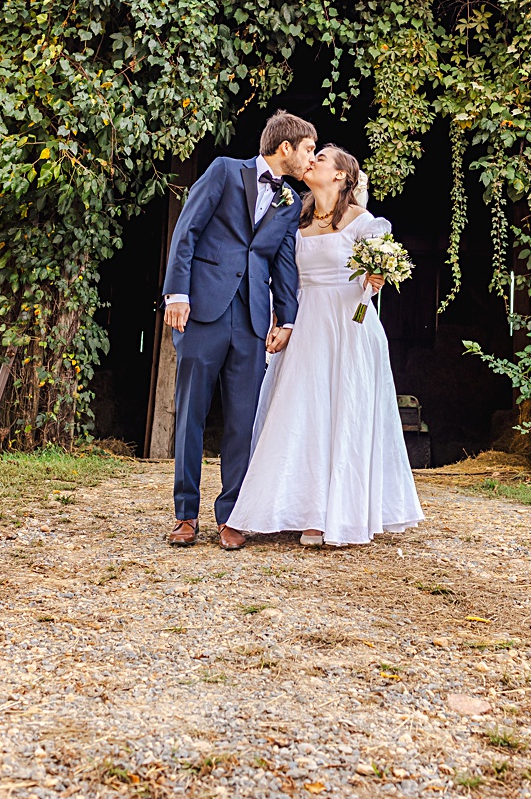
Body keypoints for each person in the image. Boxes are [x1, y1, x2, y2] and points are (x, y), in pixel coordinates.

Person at [224, 145, 423, 546]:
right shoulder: (293, 217)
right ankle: (286, 507)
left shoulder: (364, 222)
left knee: (341, 411)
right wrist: (280, 320)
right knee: (299, 412)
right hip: (307, 322)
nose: (311, 160)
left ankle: (330, 514)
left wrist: (377, 278)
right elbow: (284, 278)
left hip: (349, 324)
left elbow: (372, 276)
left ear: (341, 176)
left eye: (323, 158)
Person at [160, 110, 314, 550]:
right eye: (307, 150)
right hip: (202, 310)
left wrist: (286, 319)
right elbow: (186, 230)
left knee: (242, 422)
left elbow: (283, 264)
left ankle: (232, 515)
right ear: (286, 147)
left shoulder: (289, 204)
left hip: (250, 322)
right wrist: (177, 294)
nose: (310, 160)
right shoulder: (225, 171)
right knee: (190, 414)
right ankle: (185, 514)